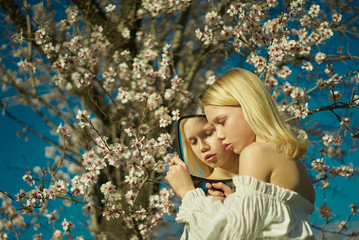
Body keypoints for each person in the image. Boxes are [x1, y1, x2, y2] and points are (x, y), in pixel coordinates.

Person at [166, 68, 316, 239]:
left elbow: (234, 235)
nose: (220, 135)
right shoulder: (294, 162)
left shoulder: (255, 153)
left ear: (249, 106)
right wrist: (236, 203)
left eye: (222, 122)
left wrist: (188, 194)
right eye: (214, 128)